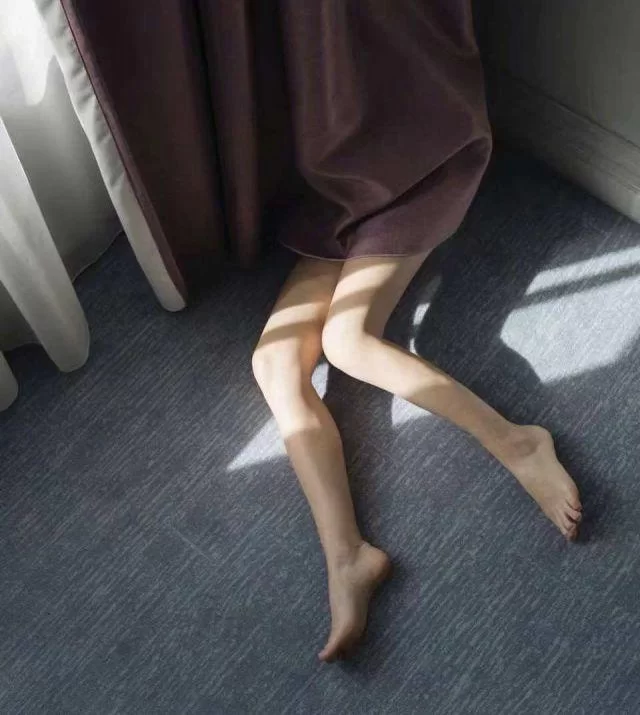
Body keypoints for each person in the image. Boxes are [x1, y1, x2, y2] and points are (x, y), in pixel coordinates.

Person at [251, 1, 582, 663]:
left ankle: (517, 442)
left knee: (348, 341)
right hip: (339, 180)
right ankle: (348, 557)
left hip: (418, 161)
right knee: (273, 363)